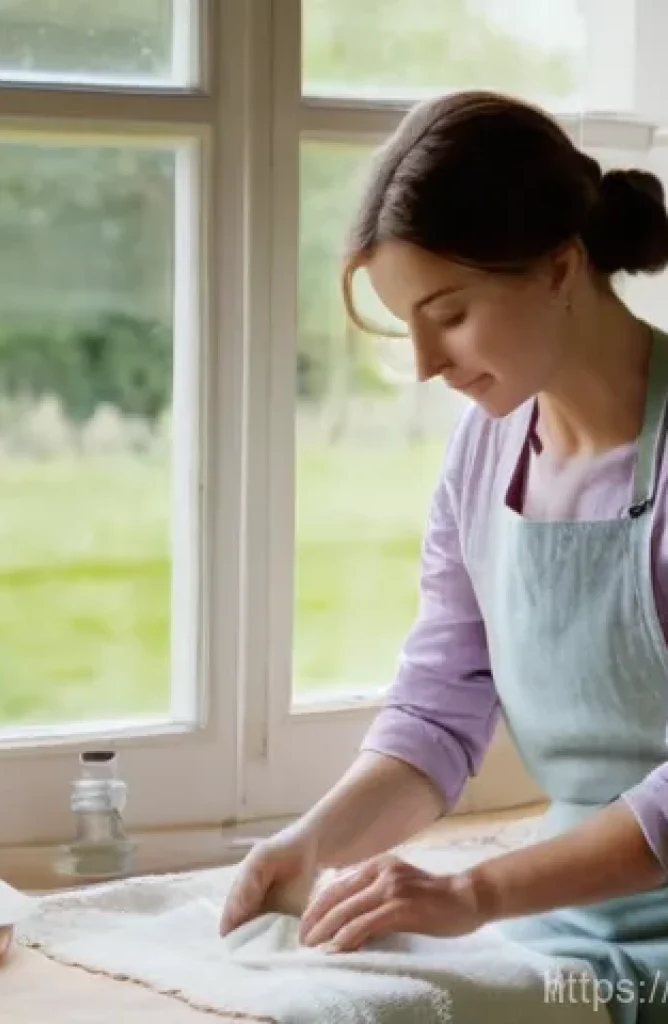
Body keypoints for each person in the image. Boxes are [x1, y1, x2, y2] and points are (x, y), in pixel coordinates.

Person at [219, 89, 668, 1024]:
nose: (427, 363)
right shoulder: (486, 451)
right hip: (573, 932)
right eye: (406, 324)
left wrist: (477, 895)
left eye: (449, 313)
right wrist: (310, 848)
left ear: (560, 266)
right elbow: (440, 706)